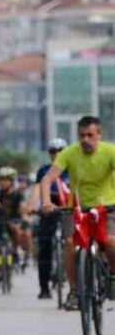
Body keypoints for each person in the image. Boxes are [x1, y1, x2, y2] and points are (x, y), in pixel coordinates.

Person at [40, 115, 115, 309]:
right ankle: (74, 291)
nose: (85, 140)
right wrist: (47, 202)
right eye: (82, 135)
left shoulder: (110, 151)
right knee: (68, 244)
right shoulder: (70, 153)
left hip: (107, 207)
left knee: (111, 244)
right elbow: (47, 179)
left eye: (90, 135)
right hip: (76, 208)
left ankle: (113, 278)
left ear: (99, 134)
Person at [31, 138, 69, 298]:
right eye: (53, 151)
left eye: (60, 150)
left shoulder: (73, 168)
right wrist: (32, 206)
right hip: (49, 210)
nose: (57, 154)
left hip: (69, 209)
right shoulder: (44, 170)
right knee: (45, 247)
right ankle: (44, 287)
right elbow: (37, 189)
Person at [0, 166, 29, 288]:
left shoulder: (18, 194)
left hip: (13, 221)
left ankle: (16, 249)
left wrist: (23, 216)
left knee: (17, 229)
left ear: (12, 181)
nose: (3, 182)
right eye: (1, 179)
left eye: (6, 179)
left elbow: (22, 207)